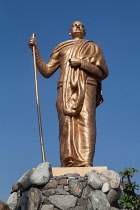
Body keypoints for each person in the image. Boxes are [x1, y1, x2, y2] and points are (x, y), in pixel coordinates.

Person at [28, 21, 109, 167]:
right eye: (74, 25)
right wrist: (36, 51)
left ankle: (86, 162)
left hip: (87, 85)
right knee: (66, 125)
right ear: (69, 32)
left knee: (86, 120)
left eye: (81, 25)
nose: (77, 26)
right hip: (65, 88)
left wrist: (82, 63)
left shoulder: (92, 47)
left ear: (85, 31)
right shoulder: (61, 48)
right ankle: (68, 162)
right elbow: (47, 71)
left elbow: (101, 72)